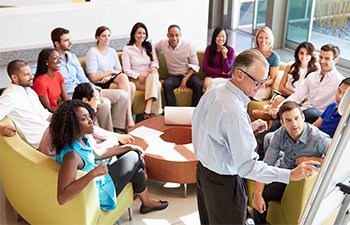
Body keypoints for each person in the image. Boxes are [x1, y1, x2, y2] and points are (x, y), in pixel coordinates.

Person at [192, 49, 320, 225]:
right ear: (239, 74)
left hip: (203, 174)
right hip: (224, 184)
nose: (262, 87)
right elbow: (247, 167)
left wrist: (247, 129)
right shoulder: (234, 111)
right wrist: (289, 175)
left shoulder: (214, 92)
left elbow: (206, 130)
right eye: (259, 82)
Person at [50, 99, 168, 213]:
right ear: (72, 125)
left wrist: (128, 147)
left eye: (89, 116)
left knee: (135, 160)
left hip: (100, 180)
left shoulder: (80, 139)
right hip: (101, 193)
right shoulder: (71, 156)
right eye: (84, 119)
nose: (91, 121)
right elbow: (62, 197)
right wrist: (94, 173)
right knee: (134, 157)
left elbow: (99, 153)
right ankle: (144, 198)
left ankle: (146, 201)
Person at [252, 101, 331, 224]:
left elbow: (340, 160)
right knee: (259, 194)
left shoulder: (319, 139)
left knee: (266, 193)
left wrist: (314, 159)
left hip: (302, 180)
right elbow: (267, 163)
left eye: (296, 118)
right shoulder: (279, 134)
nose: (294, 124)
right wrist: (257, 194)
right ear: (282, 122)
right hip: (284, 171)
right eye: (288, 120)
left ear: (303, 118)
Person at [51, 27, 128, 132]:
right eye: (66, 40)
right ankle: (109, 134)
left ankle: (118, 129)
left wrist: (95, 90)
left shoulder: (72, 57)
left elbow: (83, 78)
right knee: (104, 103)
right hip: (73, 96)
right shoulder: (52, 62)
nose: (70, 42)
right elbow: (38, 71)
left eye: (70, 39)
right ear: (57, 44)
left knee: (123, 95)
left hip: (86, 90)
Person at [268, 44, 344, 127]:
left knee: (308, 112)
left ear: (335, 60)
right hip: (304, 111)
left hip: (319, 115)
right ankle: (268, 137)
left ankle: (269, 116)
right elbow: (297, 96)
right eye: (321, 57)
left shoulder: (340, 82)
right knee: (288, 111)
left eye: (327, 59)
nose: (322, 61)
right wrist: (280, 107)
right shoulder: (312, 76)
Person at [252, 41, 318, 123]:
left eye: (307, 54)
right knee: (278, 101)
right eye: (301, 53)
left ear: (311, 56)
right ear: (298, 54)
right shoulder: (290, 67)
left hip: (300, 101)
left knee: (282, 105)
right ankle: (264, 125)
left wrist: (298, 97)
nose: (304, 56)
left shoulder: (315, 72)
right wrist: (294, 95)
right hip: (285, 95)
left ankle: (264, 116)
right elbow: (281, 87)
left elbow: (310, 94)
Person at [72, 82, 138, 161]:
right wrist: (114, 142)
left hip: (97, 158)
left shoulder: (81, 117)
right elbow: (97, 153)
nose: (99, 103)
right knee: (135, 156)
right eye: (96, 99)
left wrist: (118, 136)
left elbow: (97, 131)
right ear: (85, 100)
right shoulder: (81, 124)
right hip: (97, 164)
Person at [85, 26, 136, 128]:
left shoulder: (112, 51)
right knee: (129, 85)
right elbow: (93, 77)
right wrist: (111, 72)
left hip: (110, 80)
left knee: (130, 84)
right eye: (103, 36)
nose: (107, 38)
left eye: (108, 35)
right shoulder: (92, 53)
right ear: (97, 37)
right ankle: (128, 119)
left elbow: (119, 70)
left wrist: (110, 76)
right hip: (99, 84)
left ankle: (123, 121)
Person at [0, 60, 50, 149]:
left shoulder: (30, 91)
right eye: (27, 74)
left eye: (31, 73)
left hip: (52, 134)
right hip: (41, 143)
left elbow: (45, 115)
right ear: (14, 77)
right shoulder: (9, 96)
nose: (32, 77)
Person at [155, 24, 203, 106]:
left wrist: (184, 80)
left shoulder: (189, 46)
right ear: (167, 35)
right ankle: (172, 112)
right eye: (171, 35)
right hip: (174, 76)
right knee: (167, 84)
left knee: (198, 85)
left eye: (177, 35)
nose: (174, 38)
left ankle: (194, 112)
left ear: (180, 35)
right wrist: (154, 63)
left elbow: (195, 65)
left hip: (188, 75)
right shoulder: (163, 44)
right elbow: (153, 48)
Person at [122, 22, 162, 119]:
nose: (142, 36)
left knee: (154, 74)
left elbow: (155, 62)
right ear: (134, 34)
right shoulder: (127, 49)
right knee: (158, 85)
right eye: (139, 33)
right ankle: (154, 115)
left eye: (144, 33)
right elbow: (126, 69)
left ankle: (148, 108)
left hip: (149, 77)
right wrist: (138, 76)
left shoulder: (149, 47)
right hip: (136, 80)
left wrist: (153, 67)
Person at [32, 48, 69, 112]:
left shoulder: (58, 75)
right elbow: (47, 108)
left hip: (60, 110)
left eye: (59, 58)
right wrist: (66, 112)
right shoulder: (40, 82)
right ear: (46, 61)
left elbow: (66, 99)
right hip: (51, 115)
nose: (59, 61)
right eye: (55, 58)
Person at [202, 26, 235, 91]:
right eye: (218, 36)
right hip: (210, 77)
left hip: (225, 79)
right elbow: (204, 67)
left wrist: (224, 56)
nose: (221, 39)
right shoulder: (209, 49)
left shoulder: (231, 50)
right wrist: (220, 72)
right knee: (211, 88)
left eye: (223, 36)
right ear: (214, 37)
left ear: (226, 37)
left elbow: (227, 71)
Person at [253, 26, 280, 101]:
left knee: (249, 92)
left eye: (266, 38)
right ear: (257, 39)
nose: (263, 40)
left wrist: (260, 84)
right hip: (250, 81)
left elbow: (272, 79)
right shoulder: (251, 52)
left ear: (270, 39)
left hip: (264, 86)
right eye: (260, 37)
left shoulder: (274, 57)